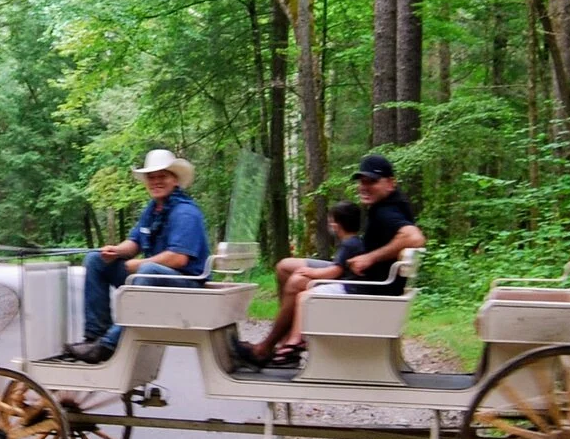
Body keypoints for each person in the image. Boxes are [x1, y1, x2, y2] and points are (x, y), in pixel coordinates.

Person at [244, 153, 424, 368]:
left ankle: (277, 348)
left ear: (391, 183)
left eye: (372, 181)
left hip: (366, 285)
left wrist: (370, 257)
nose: (364, 187)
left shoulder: (387, 212)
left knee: (297, 284)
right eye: (362, 181)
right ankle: (283, 342)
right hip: (363, 277)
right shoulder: (389, 204)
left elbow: (415, 238)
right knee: (285, 267)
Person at [65, 148, 212, 364]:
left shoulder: (185, 212)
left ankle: (109, 345)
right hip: (154, 279)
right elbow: (134, 242)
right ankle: (95, 336)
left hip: (187, 288)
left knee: (148, 270)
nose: (156, 181)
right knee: (95, 260)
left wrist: (139, 264)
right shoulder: (153, 209)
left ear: (175, 180)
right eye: (151, 177)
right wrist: (115, 251)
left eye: (162, 176)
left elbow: (178, 258)